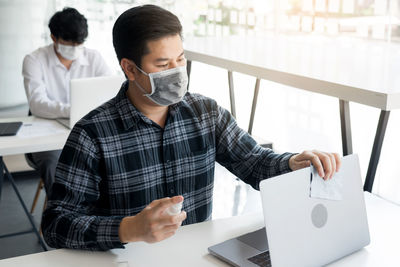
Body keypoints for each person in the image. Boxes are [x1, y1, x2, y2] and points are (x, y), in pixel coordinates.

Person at [42, 5, 341, 251]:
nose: (176, 72)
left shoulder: (205, 113)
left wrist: (293, 163)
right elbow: (56, 224)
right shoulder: (92, 134)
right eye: (162, 65)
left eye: (181, 59)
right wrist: (129, 228)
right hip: (128, 259)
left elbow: (254, 162)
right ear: (130, 68)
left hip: (198, 255)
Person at [22, 7, 111, 195]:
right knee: (53, 162)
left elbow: (110, 93)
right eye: (69, 44)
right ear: (54, 37)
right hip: (46, 134)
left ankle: (100, 216)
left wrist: (80, 113)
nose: (75, 49)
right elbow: (37, 104)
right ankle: (60, 216)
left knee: (111, 157)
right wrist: (74, 110)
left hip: (87, 131)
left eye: (79, 43)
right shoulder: (34, 60)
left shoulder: (93, 57)